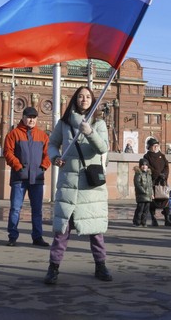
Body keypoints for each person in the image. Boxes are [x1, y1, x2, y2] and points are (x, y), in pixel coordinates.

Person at [44, 86, 111, 285]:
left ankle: (101, 266)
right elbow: (52, 144)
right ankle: (53, 268)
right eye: (81, 96)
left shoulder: (98, 123)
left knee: (95, 231)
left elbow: (102, 148)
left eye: (88, 96)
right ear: (75, 99)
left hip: (90, 185)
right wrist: (55, 157)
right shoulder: (64, 123)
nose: (84, 99)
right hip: (68, 183)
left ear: (92, 100)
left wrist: (89, 132)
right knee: (62, 230)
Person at [4, 106, 51, 246]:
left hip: (37, 178)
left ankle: (37, 237)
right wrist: (18, 166)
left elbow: (48, 154)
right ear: (23, 117)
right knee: (15, 208)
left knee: (37, 210)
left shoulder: (42, 135)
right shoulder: (14, 134)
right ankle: (12, 236)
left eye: (34, 117)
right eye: (29, 117)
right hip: (19, 178)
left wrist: (43, 167)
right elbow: (8, 153)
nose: (31, 120)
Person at [143, 137, 171, 227]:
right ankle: (153, 219)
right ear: (150, 147)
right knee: (152, 201)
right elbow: (148, 167)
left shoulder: (162, 156)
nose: (156, 147)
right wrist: (158, 174)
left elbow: (166, 166)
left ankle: (167, 219)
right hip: (153, 181)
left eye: (157, 145)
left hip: (163, 182)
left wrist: (164, 175)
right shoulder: (146, 156)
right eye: (154, 146)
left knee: (166, 199)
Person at [133, 158, 153, 227]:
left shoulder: (149, 175)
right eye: (142, 165)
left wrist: (152, 194)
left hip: (148, 195)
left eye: (146, 165)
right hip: (141, 195)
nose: (144, 166)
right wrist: (144, 192)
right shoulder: (138, 174)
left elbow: (150, 185)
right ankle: (137, 222)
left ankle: (143, 222)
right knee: (140, 209)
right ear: (140, 166)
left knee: (146, 210)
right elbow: (138, 184)